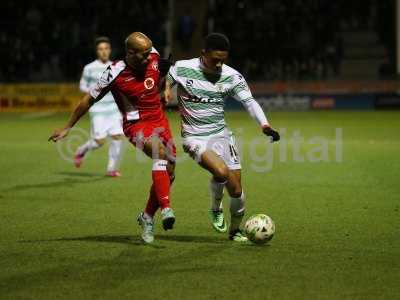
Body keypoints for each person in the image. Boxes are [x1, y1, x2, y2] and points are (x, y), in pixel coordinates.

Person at [49, 32, 176, 244]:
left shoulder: (152, 54)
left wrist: (165, 84)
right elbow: (87, 100)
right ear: (130, 52)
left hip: (160, 119)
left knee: (170, 170)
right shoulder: (114, 73)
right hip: (136, 124)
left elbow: (156, 78)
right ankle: (166, 209)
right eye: (143, 55)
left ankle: (146, 217)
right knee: (159, 153)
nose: (149, 58)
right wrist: (67, 127)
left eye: (149, 53)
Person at [165, 33, 280, 242]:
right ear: (203, 53)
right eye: (214, 59)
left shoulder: (232, 76)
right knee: (221, 171)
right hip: (194, 137)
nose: (218, 64)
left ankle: (235, 231)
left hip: (222, 135)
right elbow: (164, 80)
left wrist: (264, 125)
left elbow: (250, 102)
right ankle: (216, 209)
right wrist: (164, 89)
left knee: (237, 191)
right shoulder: (182, 67)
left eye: (222, 60)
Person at [76, 37, 124, 177]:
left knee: (117, 137)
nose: (104, 52)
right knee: (99, 141)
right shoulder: (89, 68)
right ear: (97, 51)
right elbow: (82, 86)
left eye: (106, 49)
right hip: (97, 110)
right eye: (100, 49)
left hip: (114, 109)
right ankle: (81, 150)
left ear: (110, 50)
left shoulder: (115, 67)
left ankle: (111, 169)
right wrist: (94, 90)